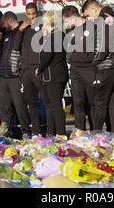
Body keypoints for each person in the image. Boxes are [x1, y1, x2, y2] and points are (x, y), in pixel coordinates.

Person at [82, 0, 114, 133]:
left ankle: (96, 133)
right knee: (113, 102)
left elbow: (104, 42)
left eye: (88, 15)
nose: (88, 19)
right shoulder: (109, 17)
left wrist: (97, 59)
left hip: (107, 64)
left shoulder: (103, 19)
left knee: (100, 102)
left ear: (94, 9)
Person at [0, 11, 31, 138]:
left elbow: (20, 49)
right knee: (4, 106)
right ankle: (6, 130)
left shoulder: (23, 30)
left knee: (19, 105)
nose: (3, 26)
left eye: (4, 23)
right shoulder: (6, 34)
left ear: (10, 20)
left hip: (16, 76)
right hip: (4, 76)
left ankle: (26, 131)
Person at [62, 5, 95, 132]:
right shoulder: (70, 31)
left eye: (66, 21)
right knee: (78, 103)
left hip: (89, 70)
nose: (66, 24)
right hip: (75, 70)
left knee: (92, 103)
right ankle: (80, 132)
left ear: (74, 18)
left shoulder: (91, 26)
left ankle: (95, 131)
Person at [36, 11, 68, 140]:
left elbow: (47, 55)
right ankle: (53, 131)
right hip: (51, 74)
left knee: (56, 104)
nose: (43, 25)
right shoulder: (52, 36)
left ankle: (61, 132)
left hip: (55, 74)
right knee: (51, 105)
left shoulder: (57, 35)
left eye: (44, 22)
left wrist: (39, 68)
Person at [15, 3, 43, 136]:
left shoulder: (43, 26)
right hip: (25, 70)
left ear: (37, 12)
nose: (32, 16)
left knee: (47, 101)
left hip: (38, 68)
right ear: (26, 14)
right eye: (29, 14)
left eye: (34, 13)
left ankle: (52, 130)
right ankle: (36, 131)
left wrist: (41, 65)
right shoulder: (23, 28)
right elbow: (15, 46)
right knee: (32, 103)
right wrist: (20, 30)